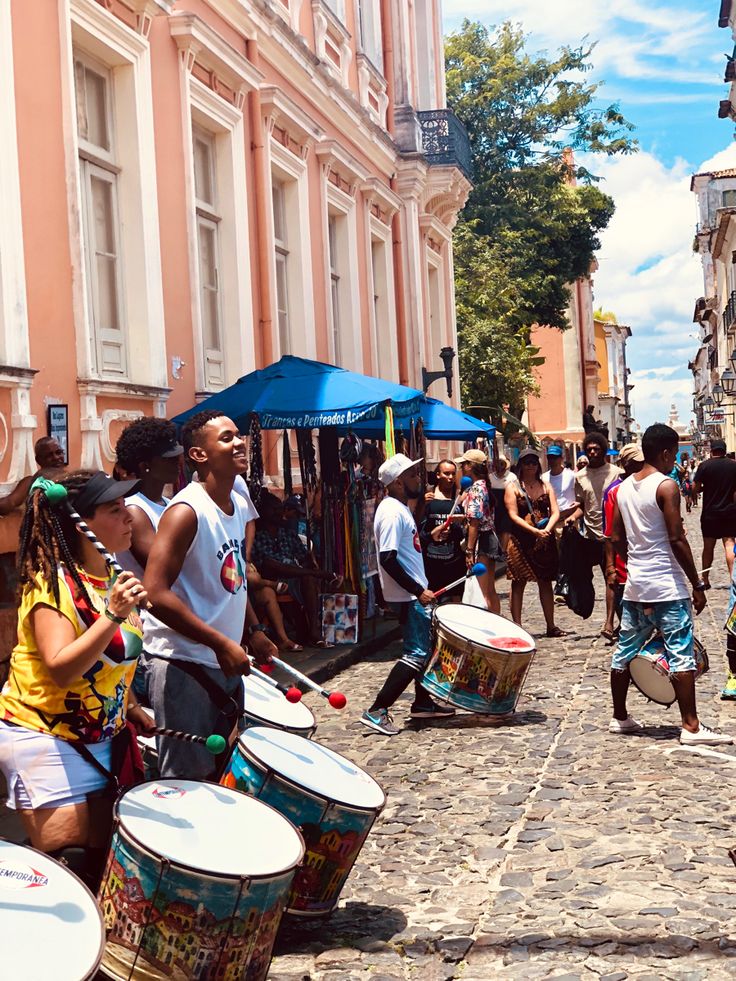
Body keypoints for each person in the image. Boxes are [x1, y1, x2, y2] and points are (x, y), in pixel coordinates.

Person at [0, 470, 154, 886]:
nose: (128, 519)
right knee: (66, 861)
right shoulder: (52, 585)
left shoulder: (109, 577)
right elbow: (62, 667)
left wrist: (132, 707)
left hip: (102, 735)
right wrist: (112, 616)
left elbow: (112, 660)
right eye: (114, 510)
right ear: (80, 524)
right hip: (45, 734)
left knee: (104, 854)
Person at [141, 410, 276, 780]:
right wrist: (220, 642)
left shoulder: (233, 504)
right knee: (189, 781)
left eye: (238, 435)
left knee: (224, 774)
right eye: (227, 438)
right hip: (185, 665)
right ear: (199, 455)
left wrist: (255, 631)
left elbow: (231, 581)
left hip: (223, 661)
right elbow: (154, 593)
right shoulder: (186, 511)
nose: (239, 442)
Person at [609, 424, 731, 745]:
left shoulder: (622, 489)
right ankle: (690, 726)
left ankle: (620, 717)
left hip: (636, 586)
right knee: (681, 653)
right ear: (665, 453)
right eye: (674, 454)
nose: (675, 459)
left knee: (624, 651)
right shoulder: (666, 486)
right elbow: (677, 538)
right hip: (667, 586)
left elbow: (616, 537)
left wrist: (635, 561)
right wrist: (697, 583)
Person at [360, 454, 454, 735]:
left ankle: (423, 702)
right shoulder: (390, 511)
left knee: (425, 651)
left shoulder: (399, 508)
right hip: (409, 596)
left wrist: (428, 537)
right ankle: (377, 709)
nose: (418, 479)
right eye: (413, 475)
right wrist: (417, 590)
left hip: (412, 594)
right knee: (416, 653)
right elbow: (387, 558)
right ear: (399, 482)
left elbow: (404, 548)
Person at [252, 492, 339, 647]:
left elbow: (303, 556)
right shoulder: (258, 537)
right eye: (274, 509)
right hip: (271, 580)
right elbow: (272, 566)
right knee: (307, 576)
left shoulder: (287, 534)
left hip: (295, 578)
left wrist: (311, 567)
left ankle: (314, 630)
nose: (279, 513)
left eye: (280, 508)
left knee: (309, 579)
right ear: (264, 512)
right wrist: (318, 573)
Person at [566, 432, 622, 641]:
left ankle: (609, 623)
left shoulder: (616, 473)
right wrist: (572, 517)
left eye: (596, 449)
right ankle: (615, 619)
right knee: (584, 579)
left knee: (612, 578)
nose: (592, 452)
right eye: (589, 449)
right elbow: (582, 506)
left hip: (612, 536)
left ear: (603, 450)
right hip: (590, 535)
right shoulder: (579, 477)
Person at [114, 417, 183, 581]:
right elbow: (164, 569)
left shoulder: (168, 503)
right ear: (145, 466)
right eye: (169, 458)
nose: (178, 462)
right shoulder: (135, 510)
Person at [505, 450, 563, 636]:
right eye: (526, 462)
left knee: (545, 582)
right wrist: (534, 531)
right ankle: (517, 626)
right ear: (520, 464)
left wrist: (547, 529)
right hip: (521, 541)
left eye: (534, 462)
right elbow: (513, 514)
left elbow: (555, 511)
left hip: (543, 541)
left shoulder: (545, 486)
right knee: (518, 582)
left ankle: (551, 625)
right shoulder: (513, 487)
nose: (530, 465)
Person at [602, 443, 645, 624]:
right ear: (627, 464)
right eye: (637, 463)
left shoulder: (646, 484)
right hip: (624, 555)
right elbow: (610, 533)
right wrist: (610, 565)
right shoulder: (614, 491)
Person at [456, 449, 501, 613]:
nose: (461, 467)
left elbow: (474, 521)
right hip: (489, 538)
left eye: (463, 464)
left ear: (470, 466)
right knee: (490, 590)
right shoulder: (482, 486)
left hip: (481, 539)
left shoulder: (476, 489)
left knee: (482, 593)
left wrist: (469, 550)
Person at [419, 459, 466, 600]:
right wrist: (422, 504)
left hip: (454, 561)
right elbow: (417, 527)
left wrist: (460, 523)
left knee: (456, 601)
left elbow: (466, 527)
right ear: (438, 475)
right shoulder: (428, 496)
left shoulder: (459, 498)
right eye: (446, 474)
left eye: (453, 474)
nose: (451, 477)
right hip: (431, 563)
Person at [693, 438, 736, 589]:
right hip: (729, 512)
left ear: (712, 451)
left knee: (708, 547)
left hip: (710, 513)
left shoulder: (704, 466)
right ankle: (733, 578)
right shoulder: (733, 466)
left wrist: (706, 488)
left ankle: (705, 578)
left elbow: (695, 489)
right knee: (729, 544)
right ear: (724, 451)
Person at [0, 437, 67, 516]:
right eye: (49, 455)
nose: (56, 457)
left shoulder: (74, 479)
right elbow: (9, 502)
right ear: (39, 460)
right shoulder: (31, 482)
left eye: (59, 452)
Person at [489, 454, 518, 552]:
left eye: (502, 463)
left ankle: (504, 551)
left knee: (506, 528)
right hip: (494, 507)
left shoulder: (512, 476)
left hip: (507, 506)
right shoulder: (490, 477)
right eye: (498, 463)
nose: (500, 465)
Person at [542, 445, 577, 524]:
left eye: (555, 457)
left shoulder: (571, 475)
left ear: (561, 458)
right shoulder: (543, 477)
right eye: (550, 457)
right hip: (551, 520)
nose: (552, 460)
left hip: (568, 519)